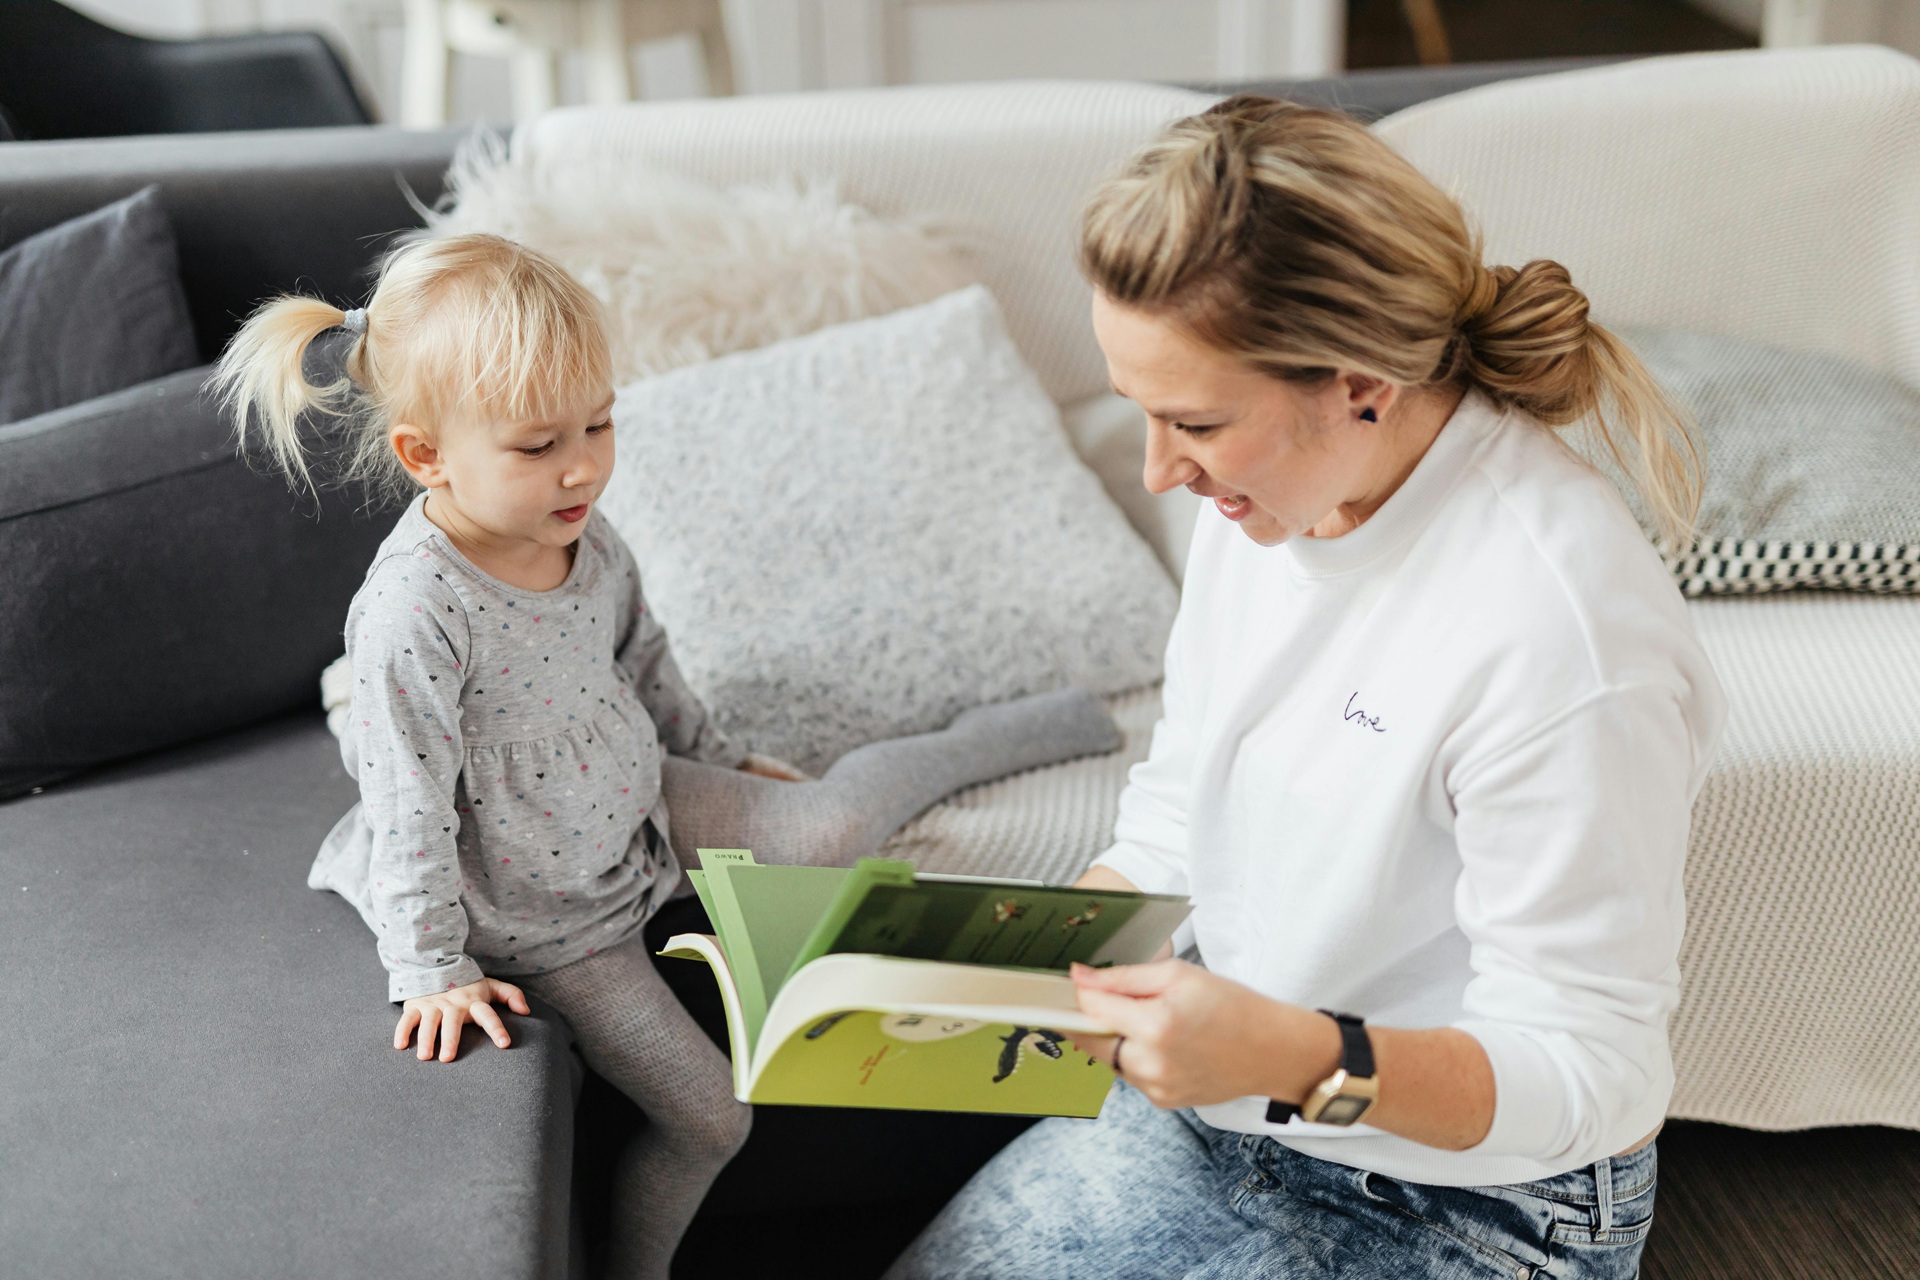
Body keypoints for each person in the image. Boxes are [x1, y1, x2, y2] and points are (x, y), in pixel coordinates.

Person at [889, 96, 1725, 1279]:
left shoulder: (1562, 632)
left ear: (1361, 382)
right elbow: (1184, 803)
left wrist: (1286, 1053)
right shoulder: (1270, 496)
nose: (1159, 470)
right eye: (1144, 411)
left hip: (1462, 1201)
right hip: (1228, 1111)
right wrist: (1039, 948)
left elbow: (1591, 1076)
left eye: (1196, 422)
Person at [213, 231, 1120, 1280]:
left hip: (637, 793)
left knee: (822, 825)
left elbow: (645, 660)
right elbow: (407, 799)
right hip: (550, 909)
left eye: (599, 423)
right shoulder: (414, 609)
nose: (585, 463)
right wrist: (431, 967)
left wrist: (719, 759)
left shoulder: (582, 530)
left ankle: (1014, 730)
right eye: (540, 443)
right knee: (712, 1118)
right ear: (428, 455)